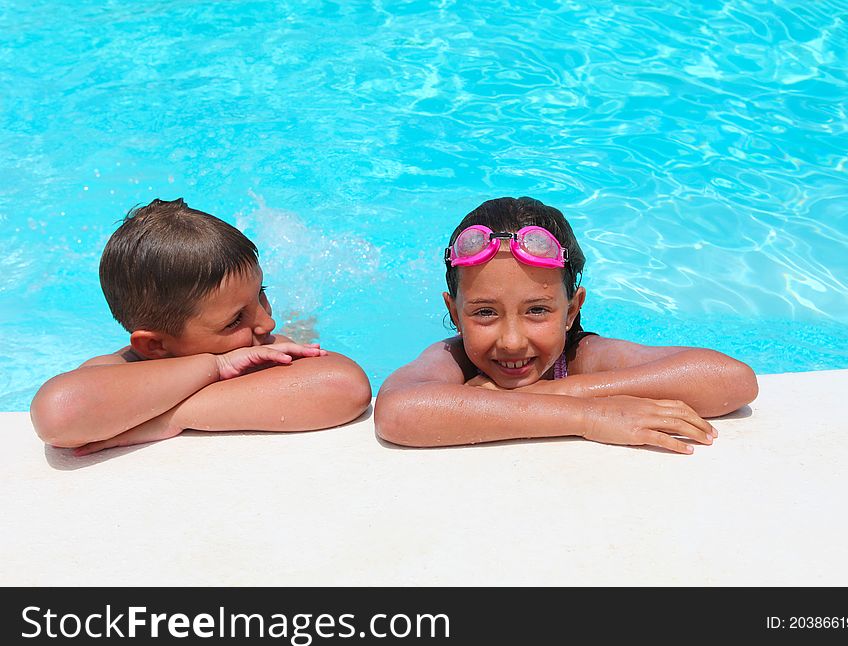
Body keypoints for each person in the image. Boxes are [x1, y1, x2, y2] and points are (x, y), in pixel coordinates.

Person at [374, 196, 758, 454]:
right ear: (455, 314)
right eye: (485, 313)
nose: (510, 341)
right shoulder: (454, 359)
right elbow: (397, 412)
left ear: (572, 310)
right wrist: (588, 416)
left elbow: (731, 380)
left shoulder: (580, 356)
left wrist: (560, 390)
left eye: (537, 311)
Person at [31, 198, 372, 456]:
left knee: (303, 331)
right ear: (155, 346)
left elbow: (345, 386)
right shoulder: (119, 369)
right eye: (235, 320)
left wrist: (168, 418)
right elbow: (57, 414)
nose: (267, 322)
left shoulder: (260, 348)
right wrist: (216, 366)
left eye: (262, 294)